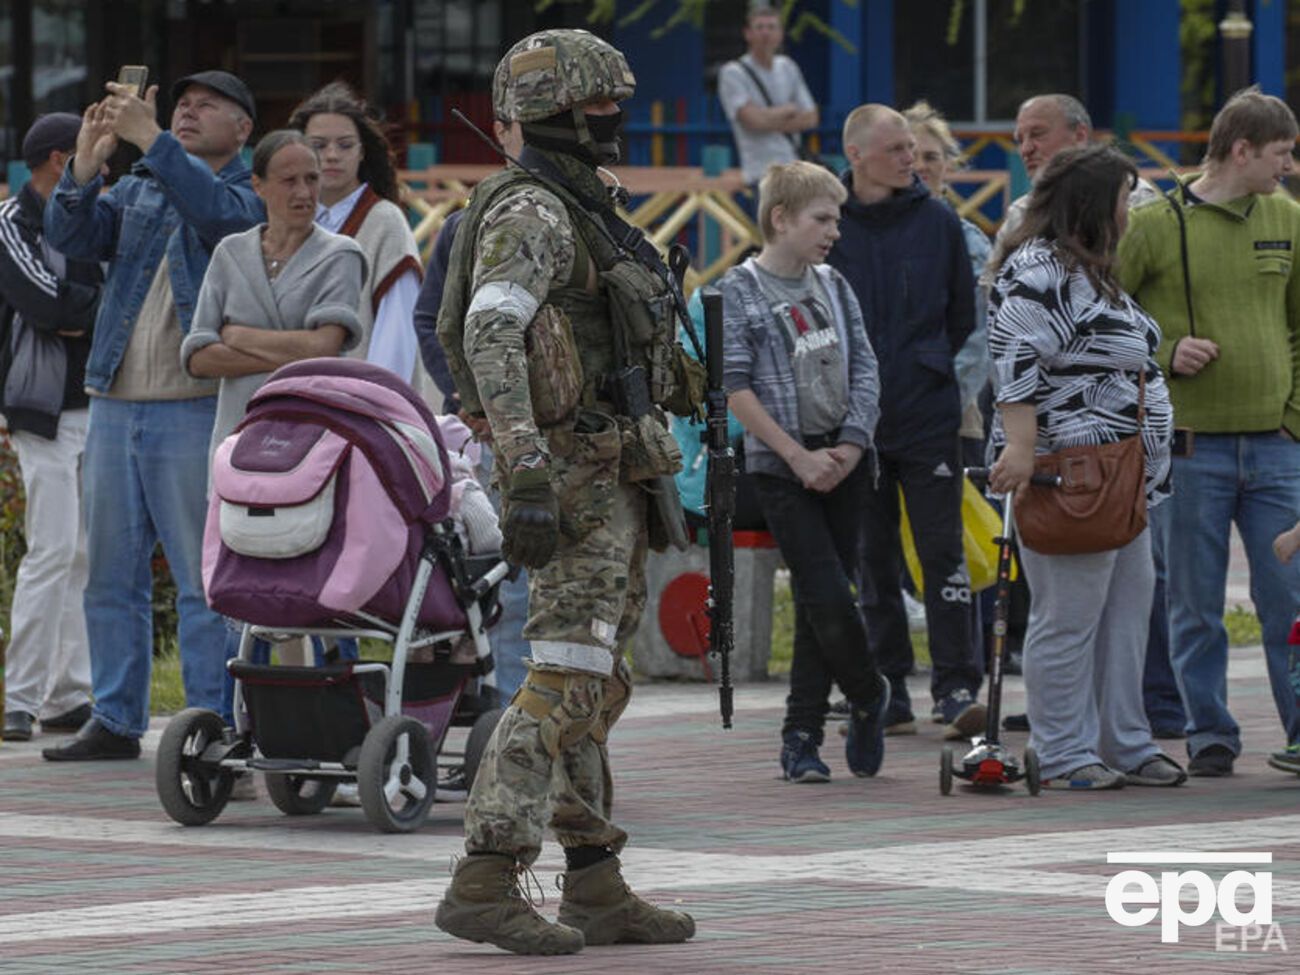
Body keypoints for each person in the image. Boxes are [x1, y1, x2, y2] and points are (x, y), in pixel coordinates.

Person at [432, 29, 696, 955]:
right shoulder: (535, 213)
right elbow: (490, 333)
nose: (616, 120)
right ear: (557, 113)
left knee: (595, 679)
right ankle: (486, 874)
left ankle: (594, 879)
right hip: (574, 479)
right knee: (562, 678)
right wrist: (526, 466)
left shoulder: (580, 206)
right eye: (600, 107)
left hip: (611, 469)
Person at [41, 70, 263, 762]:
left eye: (207, 107)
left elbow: (224, 223)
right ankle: (114, 715)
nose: (189, 113)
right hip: (113, 400)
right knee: (110, 572)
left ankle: (208, 720)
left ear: (243, 129)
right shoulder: (141, 183)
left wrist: (154, 140)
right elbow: (71, 237)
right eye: (183, 104)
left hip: (194, 407)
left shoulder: (245, 191)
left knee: (203, 580)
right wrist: (85, 159)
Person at [987, 144, 1185, 790]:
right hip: (1070, 474)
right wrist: (1019, 448)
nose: (1133, 211)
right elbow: (1013, 360)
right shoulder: (1039, 268)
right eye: (1126, 198)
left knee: (1128, 610)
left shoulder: (1091, 267)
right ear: (1095, 205)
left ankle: (1125, 740)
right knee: (1068, 616)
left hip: (1124, 476)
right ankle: (1065, 749)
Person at [1117, 88, 1300, 777]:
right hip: (1189, 447)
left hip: (1278, 448)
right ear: (1242, 149)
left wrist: (1293, 421)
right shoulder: (1155, 224)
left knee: (1291, 598)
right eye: (1282, 154)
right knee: (1193, 601)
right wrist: (1166, 353)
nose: (1290, 167)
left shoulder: (1289, 219)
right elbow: (1107, 317)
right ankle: (1208, 731)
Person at [719, 160, 889, 782]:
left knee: (829, 605)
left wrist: (849, 445)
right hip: (781, 468)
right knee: (823, 595)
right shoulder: (739, 290)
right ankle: (870, 693)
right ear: (781, 218)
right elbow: (734, 387)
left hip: (843, 462)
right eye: (822, 218)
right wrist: (796, 455)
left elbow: (865, 367)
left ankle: (802, 738)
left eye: (837, 219)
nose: (833, 231)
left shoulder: (834, 286)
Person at [828, 104, 985, 741]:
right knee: (872, 559)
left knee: (942, 552)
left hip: (927, 413)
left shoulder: (940, 220)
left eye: (914, 150)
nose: (910, 160)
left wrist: (936, 377)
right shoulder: (829, 219)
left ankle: (957, 690)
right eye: (896, 149)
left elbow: (964, 319)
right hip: (853, 421)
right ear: (858, 154)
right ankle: (886, 690)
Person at [411, 85, 533, 704]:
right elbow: (431, 318)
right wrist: (473, 403)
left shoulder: (593, 217)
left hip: (563, 438)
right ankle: (501, 716)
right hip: (483, 440)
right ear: (503, 132)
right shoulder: (463, 224)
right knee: (499, 588)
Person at [0, 114, 101, 742]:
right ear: (62, 159)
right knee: (53, 550)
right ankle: (22, 695)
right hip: (40, 408)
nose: (106, 168)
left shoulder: (90, 216)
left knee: (84, 552)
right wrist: (83, 310)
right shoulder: (12, 223)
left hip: (97, 398)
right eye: (95, 155)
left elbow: (101, 296)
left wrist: (79, 312)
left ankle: (69, 695)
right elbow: (48, 302)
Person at [181, 130, 365, 457]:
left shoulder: (340, 255)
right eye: (289, 181)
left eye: (311, 179)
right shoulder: (230, 253)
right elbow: (198, 358)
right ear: (258, 186)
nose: (304, 192)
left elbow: (325, 347)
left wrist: (236, 336)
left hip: (313, 435)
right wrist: (298, 351)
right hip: (236, 436)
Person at [288, 82, 422, 383]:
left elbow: (397, 333)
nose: (332, 155)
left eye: (345, 145)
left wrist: (373, 404)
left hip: (359, 403)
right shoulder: (282, 222)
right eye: (319, 145)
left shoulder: (384, 223)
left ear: (362, 152)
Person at [717, 6, 818, 192]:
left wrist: (765, 119)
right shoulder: (733, 72)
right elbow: (752, 121)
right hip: (760, 174)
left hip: (795, 170)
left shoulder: (788, 67)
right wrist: (787, 110)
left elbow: (811, 117)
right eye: (760, 27)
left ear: (780, 33)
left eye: (772, 27)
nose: (766, 33)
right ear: (747, 33)